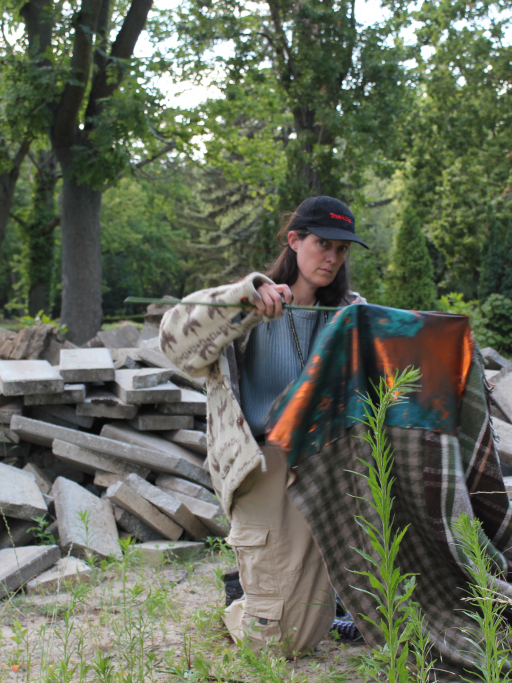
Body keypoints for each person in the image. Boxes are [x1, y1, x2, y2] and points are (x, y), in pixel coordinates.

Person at [159, 196, 367, 657]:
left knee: (312, 627)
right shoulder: (247, 303)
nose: (332, 258)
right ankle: (243, 602)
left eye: (342, 249)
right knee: (276, 645)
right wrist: (245, 301)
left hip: (328, 467)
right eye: (322, 244)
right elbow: (176, 345)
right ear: (295, 241)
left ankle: (298, 595)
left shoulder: (351, 312)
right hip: (264, 465)